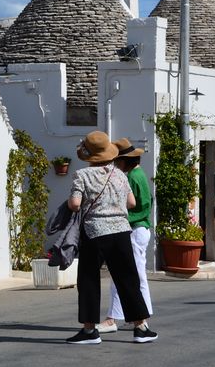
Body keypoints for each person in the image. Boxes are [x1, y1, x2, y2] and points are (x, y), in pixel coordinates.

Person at [66, 131, 157, 344]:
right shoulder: (119, 175)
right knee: (128, 279)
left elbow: (75, 204)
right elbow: (132, 203)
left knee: (89, 280)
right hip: (121, 231)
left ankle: (89, 331)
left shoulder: (82, 176)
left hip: (95, 232)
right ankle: (141, 327)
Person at [97, 138, 154, 332]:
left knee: (123, 275)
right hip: (140, 228)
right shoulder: (139, 175)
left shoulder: (130, 178)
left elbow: (135, 205)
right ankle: (141, 316)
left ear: (123, 161)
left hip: (133, 228)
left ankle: (114, 318)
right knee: (135, 275)